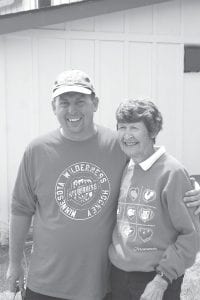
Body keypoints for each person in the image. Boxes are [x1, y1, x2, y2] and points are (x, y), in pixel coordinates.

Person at [7, 70, 200, 300]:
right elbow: (20, 209)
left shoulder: (117, 145)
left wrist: (191, 191)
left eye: (80, 101)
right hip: (45, 283)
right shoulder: (36, 151)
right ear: (53, 107)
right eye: (64, 103)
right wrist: (14, 264)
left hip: (100, 285)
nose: (72, 110)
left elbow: (155, 168)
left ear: (95, 103)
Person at [109, 99, 200, 300]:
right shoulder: (126, 165)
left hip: (155, 279)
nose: (126, 134)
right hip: (117, 275)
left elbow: (190, 235)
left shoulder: (172, 172)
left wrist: (161, 280)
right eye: (122, 127)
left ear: (152, 132)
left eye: (134, 127)